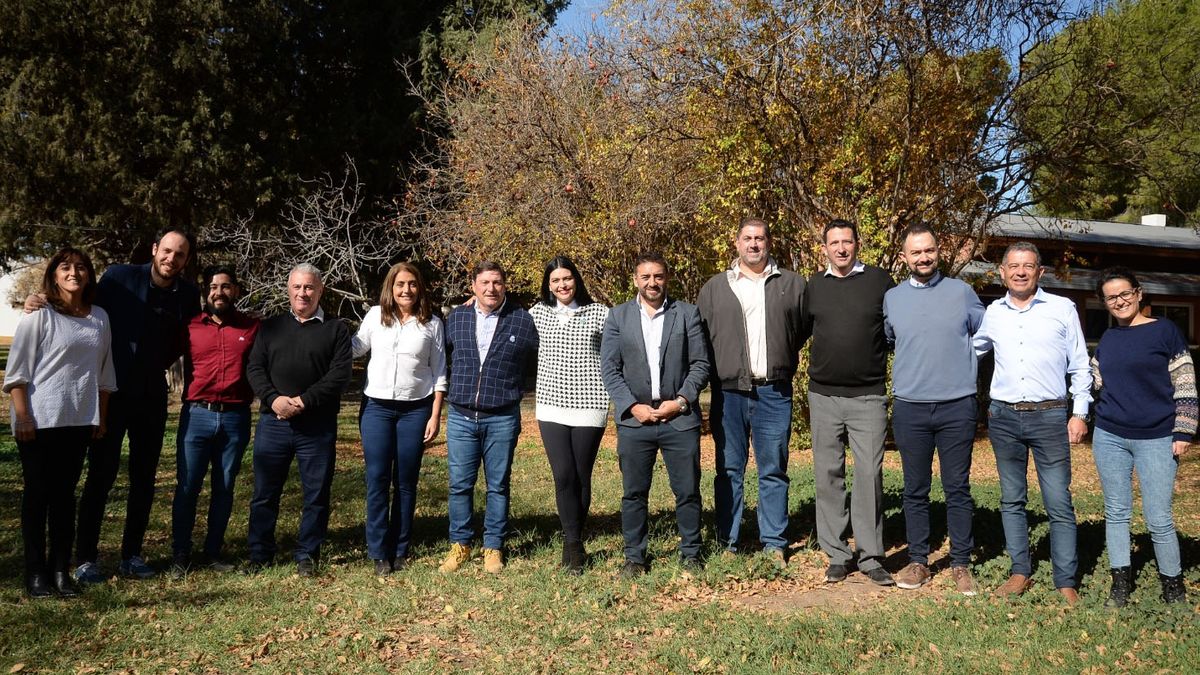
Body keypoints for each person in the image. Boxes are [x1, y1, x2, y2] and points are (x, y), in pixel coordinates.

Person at [26, 228, 200, 582]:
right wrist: (40, 298)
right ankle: (87, 558)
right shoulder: (120, 277)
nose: (171, 259)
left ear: (186, 260)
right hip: (109, 394)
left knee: (143, 478)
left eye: (179, 255)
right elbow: (80, 302)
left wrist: (156, 365)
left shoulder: (189, 295)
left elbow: (183, 340)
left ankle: (131, 555)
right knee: (100, 475)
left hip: (151, 395)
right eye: (166, 251)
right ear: (154, 249)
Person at [973, 242, 1091, 605]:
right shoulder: (993, 312)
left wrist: (1080, 412)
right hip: (1005, 416)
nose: (1020, 272)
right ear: (1003, 272)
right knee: (1012, 499)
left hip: (1051, 416)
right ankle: (1020, 571)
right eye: (1013, 266)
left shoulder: (1062, 309)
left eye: (1028, 266)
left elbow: (1080, 364)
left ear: (1040, 272)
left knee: (1058, 500)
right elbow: (970, 350)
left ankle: (1065, 579)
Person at [5, 248, 116, 597]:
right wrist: (23, 417)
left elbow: (104, 373)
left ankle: (59, 571)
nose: (74, 273)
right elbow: (17, 372)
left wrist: (100, 416)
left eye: (81, 267)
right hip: (39, 421)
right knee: (38, 498)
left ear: (89, 276)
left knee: (65, 498)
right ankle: (35, 575)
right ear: (54, 275)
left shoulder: (99, 317)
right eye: (66, 267)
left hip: (79, 420)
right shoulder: (39, 315)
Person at [883, 224, 985, 594]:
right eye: (916, 252)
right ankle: (918, 561)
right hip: (911, 405)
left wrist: (961, 364)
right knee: (915, 488)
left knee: (957, 486)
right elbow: (892, 340)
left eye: (929, 250)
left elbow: (985, 335)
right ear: (904, 257)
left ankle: (961, 563)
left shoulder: (962, 293)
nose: (923, 257)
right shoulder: (892, 298)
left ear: (938, 251)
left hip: (957, 404)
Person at [697, 218, 805, 566]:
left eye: (760, 238)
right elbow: (702, 337)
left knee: (773, 468)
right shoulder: (715, 287)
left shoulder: (791, 284)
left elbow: (800, 330)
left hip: (774, 391)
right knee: (729, 468)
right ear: (736, 242)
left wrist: (781, 359)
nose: (754, 244)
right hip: (729, 394)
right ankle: (728, 543)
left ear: (769, 242)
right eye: (748, 238)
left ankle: (774, 543)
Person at [1089, 267, 1195, 606]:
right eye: (1111, 297)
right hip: (1110, 436)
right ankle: (1120, 583)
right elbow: (1094, 380)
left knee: (1159, 517)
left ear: (1138, 293)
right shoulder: (1108, 338)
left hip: (1158, 437)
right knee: (1117, 512)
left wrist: (1184, 429)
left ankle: (1173, 586)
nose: (1119, 301)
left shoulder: (1165, 331)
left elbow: (1185, 383)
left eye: (1124, 293)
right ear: (1104, 303)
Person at [601, 252, 710, 578]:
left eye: (658, 276)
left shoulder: (687, 314)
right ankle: (635, 557)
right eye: (646, 277)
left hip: (678, 418)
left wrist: (680, 401)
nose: (652, 283)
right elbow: (610, 368)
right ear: (636, 280)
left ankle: (691, 553)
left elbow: (701, 364)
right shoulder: (618, 317)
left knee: (688, 490)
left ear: (666, 278)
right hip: (636, 419)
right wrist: (632, 406)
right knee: (634, 492)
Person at [801, 219, 896, 586]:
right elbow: (800, 331)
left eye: (847, 242)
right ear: (824, 248)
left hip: (868, 395)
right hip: (823, 394)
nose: (841, 248)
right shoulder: (814, 286)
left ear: (858, 244)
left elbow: (891, 332)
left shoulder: (879, 281)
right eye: (834, 243)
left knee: (869, 475)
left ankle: (871, 556)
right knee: (828, 474)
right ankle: (838, 554)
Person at [245, 264, 352, 577]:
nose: (302, 293)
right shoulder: (270, 327)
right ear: (288, 290)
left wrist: (304, 401)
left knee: (316, 493)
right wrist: (274, 399)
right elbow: (255, 369)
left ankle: (307, 554)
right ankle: (260, 553)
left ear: (320, 291)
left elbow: (340, 375)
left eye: (309, 288)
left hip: (316, 426)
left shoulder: (336, 329)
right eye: (297, 287)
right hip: (273, 423)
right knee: (265, 492)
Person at [439, 261, 538, 575]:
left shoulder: (521, 320)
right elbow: (444, 358)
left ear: (504, 285)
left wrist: (513, 390)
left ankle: (493, 546)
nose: (490, 288)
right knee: (459, 485)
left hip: (502, 417)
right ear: (473, 286)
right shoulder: (456, 318)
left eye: (496, 282)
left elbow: (534, 364)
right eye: (484, 282)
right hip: (461, 416)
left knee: (498, 485)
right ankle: (460, 545)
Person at [353, 262, 446, 576]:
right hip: (376, 408)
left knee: (406, 482)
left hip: (415, 410)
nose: (406, 290)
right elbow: (355, 348)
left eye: (412, 284)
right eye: (400, 284)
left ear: (419, 287)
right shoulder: (375, 317)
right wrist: (329, 332)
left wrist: (435, 415)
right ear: (390, 288)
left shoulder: (432, 323)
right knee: (377, 479)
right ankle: (379, 552)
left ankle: (400, 548)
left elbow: (439, 372)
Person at [170, 266, 260, 576]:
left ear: (235, 290)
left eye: (225, 286)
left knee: (224, 487)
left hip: (235, 418)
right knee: (187, 486)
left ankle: (213, 551)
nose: (218, 292)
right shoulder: (190, 327)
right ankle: (181, 554)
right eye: (212, 287)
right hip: (197, 416)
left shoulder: (252, 327)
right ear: (205, 292)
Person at [528, 256, 610, 574]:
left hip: (590, 403)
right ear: (548, 285)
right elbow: (506, 321)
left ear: (576, 279)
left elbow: (617, 350)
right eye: (555, 280)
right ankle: (574, 545)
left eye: (567, 278)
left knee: (581, 475)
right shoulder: (537, 313)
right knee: (563, 475)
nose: (562, 285)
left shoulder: (600, 313)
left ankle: (571, 541)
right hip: (550, 403)